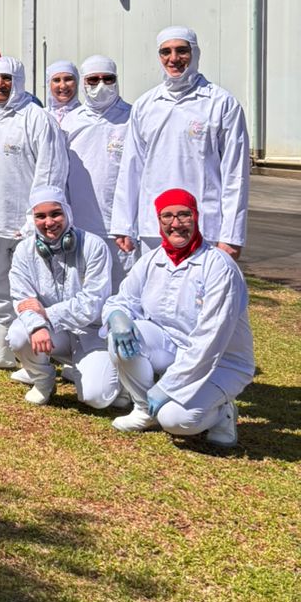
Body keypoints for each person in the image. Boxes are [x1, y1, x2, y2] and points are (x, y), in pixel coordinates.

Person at [98, 189, 252, 447]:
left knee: (175, 420)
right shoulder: (151, 260)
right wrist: (116, 315)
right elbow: (122, 299)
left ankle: (222, 412)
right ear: (159, 221)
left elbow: (210, 340)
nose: (176, 223)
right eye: (167, 216)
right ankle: (144, 408)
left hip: (220, 362)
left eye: (184, 215)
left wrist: (166, 387)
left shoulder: (219, 266)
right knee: (120, 335)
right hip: (173, 348)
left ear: (196, 217)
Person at [0, 57, 67, 368]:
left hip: (27, 225)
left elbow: (50, 172)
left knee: (36, 289)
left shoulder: (37, 118)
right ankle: (1, 351)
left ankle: (37, 358)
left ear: (18, 80)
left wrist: (37, 220)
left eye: (6, 78)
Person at [110, 26, 250, 262]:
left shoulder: (221, 103)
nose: (173, 58)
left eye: (181, 51)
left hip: (204, 226)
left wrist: (231, 235)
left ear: (195, 53)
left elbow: (235, 174)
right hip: (153, 227)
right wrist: (123, 224)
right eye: (166, 52)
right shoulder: (146, 105)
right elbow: (131, 168)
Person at [6, 187, 112, 407]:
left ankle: (86, 368)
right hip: (53, 331)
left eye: (55, 214)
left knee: (97, 398)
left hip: (92, 332)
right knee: (19, 334)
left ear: (68, 213)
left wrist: (46, 313)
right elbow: (22, 298)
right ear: (32, 218)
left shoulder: (94, 246)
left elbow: (93, 303)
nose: (49, 222)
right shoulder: (24, 250)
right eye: (40, 216)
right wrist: (37, 325)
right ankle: (43, 379)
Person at [63, 55, 133, 292]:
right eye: (93, 80)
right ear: (83, 83)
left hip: (121, 229)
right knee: (86, 291)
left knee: (122, 293)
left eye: (107, 79)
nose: (101, 85)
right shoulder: (70, 122)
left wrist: (129, 224)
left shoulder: (132, 117)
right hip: (82, 227)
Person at [45, 60, 81, 129]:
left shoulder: (87, 116)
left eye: (68, 79)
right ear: (49, 84)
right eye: (57, 80)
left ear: (76, 82)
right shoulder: (41, 116)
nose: (63, 86)